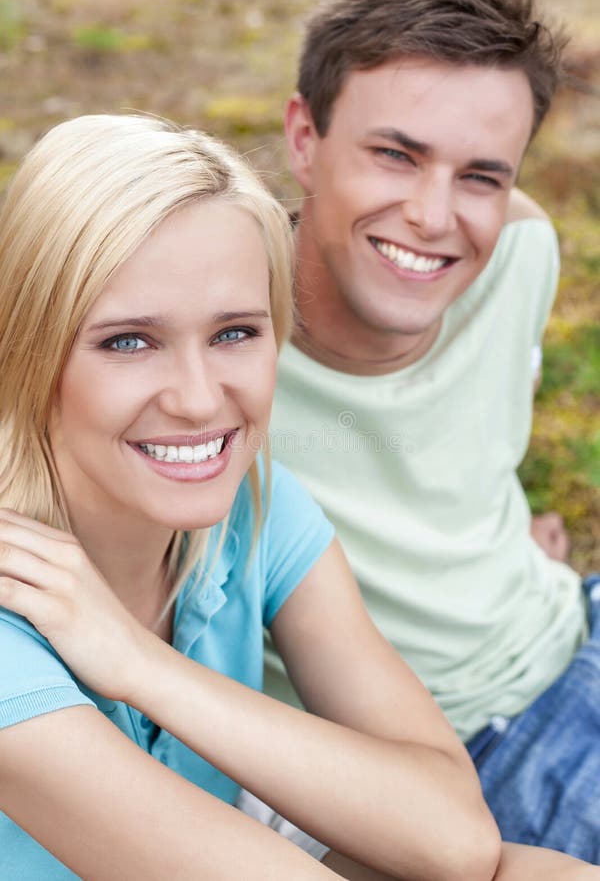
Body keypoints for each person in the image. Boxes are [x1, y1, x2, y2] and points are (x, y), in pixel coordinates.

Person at [1, 114, 598, 881]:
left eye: (234, 334)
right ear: (31, 350)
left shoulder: (253, 506)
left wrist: (135, 660)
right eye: (128, 341)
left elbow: (455, 837)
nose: (197, 399)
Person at [263, 0, 600, 863]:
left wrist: (492, 539)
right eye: (395, 155)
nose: (435, 215)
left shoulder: (520, 252)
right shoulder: (208, 344)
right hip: (452, 756)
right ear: (305, 138)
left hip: (569, 624)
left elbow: (471, 441)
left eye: (481, 175)